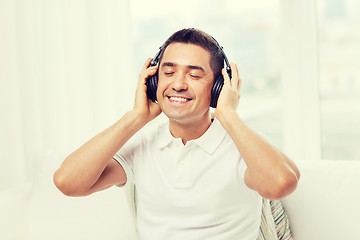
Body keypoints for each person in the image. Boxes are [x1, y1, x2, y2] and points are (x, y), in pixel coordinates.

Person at [53, 28, 300, 240]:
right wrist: (136, 117)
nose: (178, 84)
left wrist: (228, 114)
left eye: (194, 75)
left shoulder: (240, 148)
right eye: (168, 72)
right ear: (152, 82)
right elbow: (68, 182)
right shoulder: (142, 144)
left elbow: (281, 182)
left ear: (218, 88)